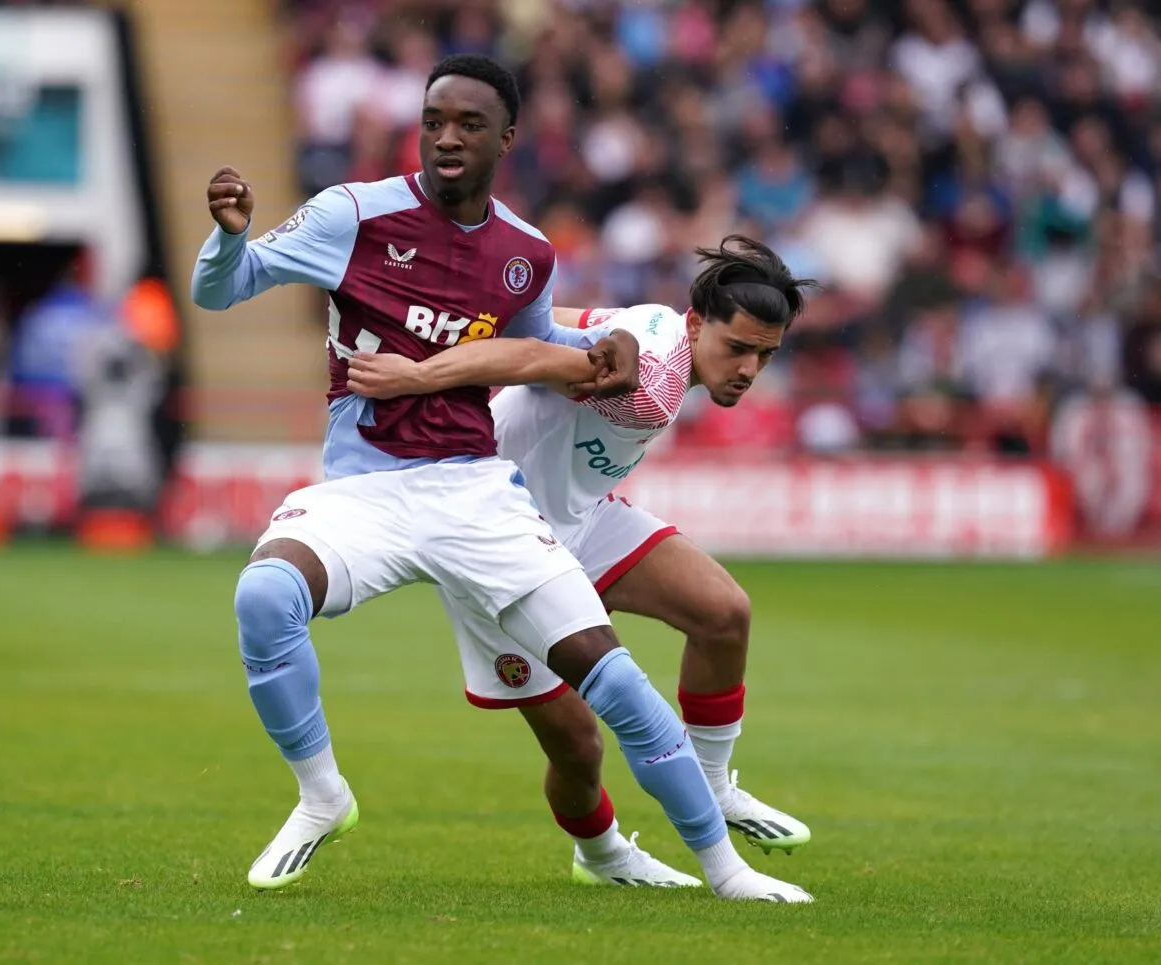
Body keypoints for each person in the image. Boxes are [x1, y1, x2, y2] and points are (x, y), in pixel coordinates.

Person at [193, 55, 811, 902]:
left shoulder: (527, 253)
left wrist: (579, 347)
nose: (446, 137)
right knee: (267, 597)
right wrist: (230, 238)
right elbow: (224, 291)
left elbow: (536, 340)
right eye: (433, 121)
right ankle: (322, 794)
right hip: (371, 485)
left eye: (469, 124)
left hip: (484, 493)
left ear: (507, 138)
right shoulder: (354, 214)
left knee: (649, 660)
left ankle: (720, 858)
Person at [347, 236, 818, 875]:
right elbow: (531, 356)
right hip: (497, 543)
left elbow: (550, 322)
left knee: (723, 612)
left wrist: (494, 322)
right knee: (577, 747)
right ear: (696, 325)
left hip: (582, 515)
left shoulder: (654, 321)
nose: (748, 369)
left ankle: (710, 785)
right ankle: (601, 855)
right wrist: (420, 374)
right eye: (737, 348)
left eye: (765, 354)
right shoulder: (648, 387)